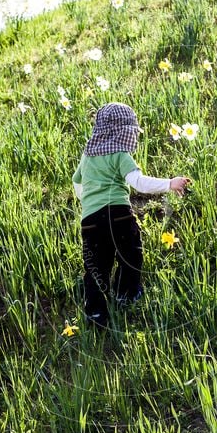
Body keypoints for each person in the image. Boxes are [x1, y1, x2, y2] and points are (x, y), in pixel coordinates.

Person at [72, 102, 190, 327]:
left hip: (90, 220)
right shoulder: (119, 154)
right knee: (130, 254)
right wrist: (170, 183)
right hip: (118, 215)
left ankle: (96, 314)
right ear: (124, 131)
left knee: (96, 266)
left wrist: (87, 201)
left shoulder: (88, 155)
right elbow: (138, 183)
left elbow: (77, 182)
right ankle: (126, 296)